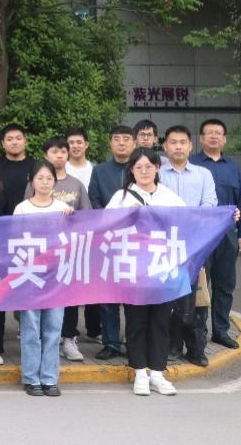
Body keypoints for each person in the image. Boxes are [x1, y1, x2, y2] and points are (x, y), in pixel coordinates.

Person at [106, 147, 185, 396]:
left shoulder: (169, 196)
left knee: (161, 322)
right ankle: (140, 373)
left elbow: (189, 221)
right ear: (131, 170)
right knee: (136, 323)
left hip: (161, 270)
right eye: (138, 167)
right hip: (133, 272)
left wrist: (229, 216)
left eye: (149, 166)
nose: (144, 171)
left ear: (157, 168)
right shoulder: (121, 197)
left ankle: (158, 374)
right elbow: (104, 227)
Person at [26, 137, 93, 362]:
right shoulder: (34, 183)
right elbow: (26, 214)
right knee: (40, 300)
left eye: (63, 151)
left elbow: (87, 216)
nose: (60, 155)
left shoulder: (76, 184)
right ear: (46, 155)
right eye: (54, 151)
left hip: (68, 252)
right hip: (39, 254)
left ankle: (69, 339)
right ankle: (44, 343)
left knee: (69, 299)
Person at [160, 125, 217, 366]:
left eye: (182, 142)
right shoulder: (157, 173)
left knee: (197, 298)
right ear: (165, 146)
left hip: (197, 244)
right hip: (165, 245)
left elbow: (210, 204)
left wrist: (187, 221)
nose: (178, 147)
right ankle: (172, 346)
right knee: (170, 298)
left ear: (191, 146)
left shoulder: (203, 174)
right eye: (173, 142)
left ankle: (196, 349)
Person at [14, 161, 72, 397]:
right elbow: (14, 240)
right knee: (30, 329)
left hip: (56, 277)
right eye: (40, 178)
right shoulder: (22, 209)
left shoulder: (62, 208)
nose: (45, 182)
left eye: (49, 178)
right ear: (32, 181)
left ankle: (49, 378)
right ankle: (31, 378)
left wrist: (71, 217)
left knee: (53, 328)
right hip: (29, 276)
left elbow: (72, 239)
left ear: (54, 182)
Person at [190, 118, 241, 350]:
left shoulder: (232, 167)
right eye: (209, 133)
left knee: (225, 284)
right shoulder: (193, 165)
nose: (214, 136)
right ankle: (197, 333)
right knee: (200, 285)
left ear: (224, 139)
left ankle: (221, 331)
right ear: (201, 138)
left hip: (227, 235)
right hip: (200, 235)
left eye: (218, 133)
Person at [0, 123, 33, 366]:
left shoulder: (35, 166)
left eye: (18, 138)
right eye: (9, 139)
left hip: (30, 237)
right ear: (2, 144)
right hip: (0, 238)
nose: (14, 142)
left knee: (29, 290)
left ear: (25, 141)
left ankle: (30, 341)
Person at [88, 125, 137, 361]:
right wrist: (111, 222)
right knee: (108, 296)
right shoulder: (99, 171)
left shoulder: (140, 169)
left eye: (126, 139)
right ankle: (111, 343)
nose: (121, 143)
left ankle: (134, 341)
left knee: (133, 296)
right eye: (117, 139)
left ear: (134, 143)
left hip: (135, 242)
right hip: (107, 240)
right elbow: (94, 201)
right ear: (110, 143)